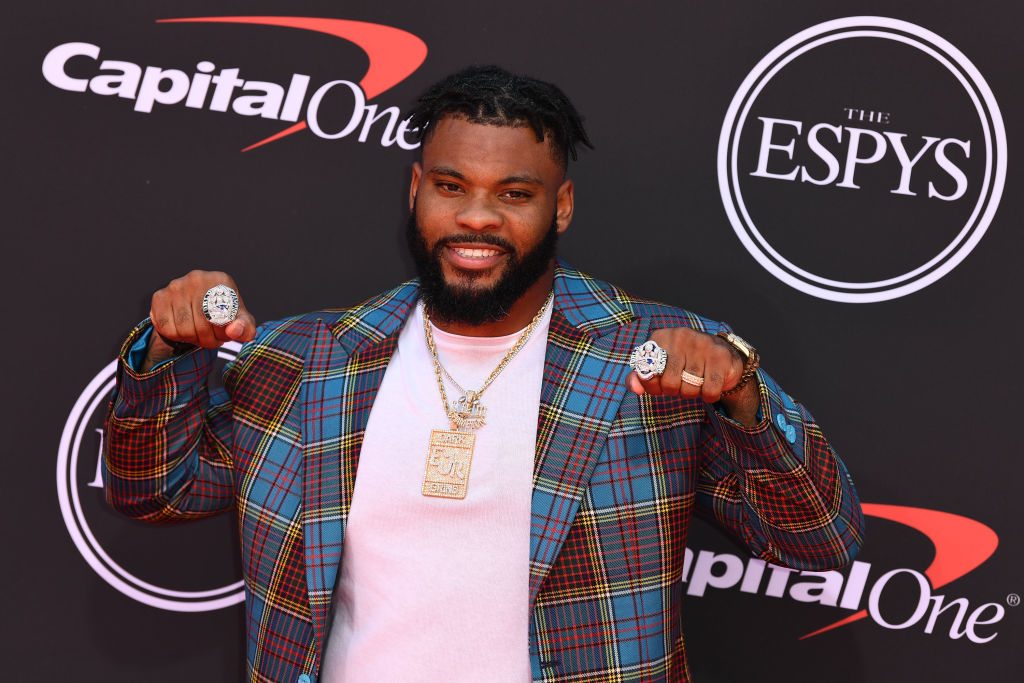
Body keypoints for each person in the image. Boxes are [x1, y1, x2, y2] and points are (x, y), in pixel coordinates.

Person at [105, 65, 864, 683]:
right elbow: (152, 490)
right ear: (415, 190)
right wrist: (169, 352)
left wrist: (744, 395)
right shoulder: (302, 360)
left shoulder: (656, 357)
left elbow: (821, 540)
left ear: (560, 206)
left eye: (514, 194)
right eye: (451, 185)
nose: (477, 217)